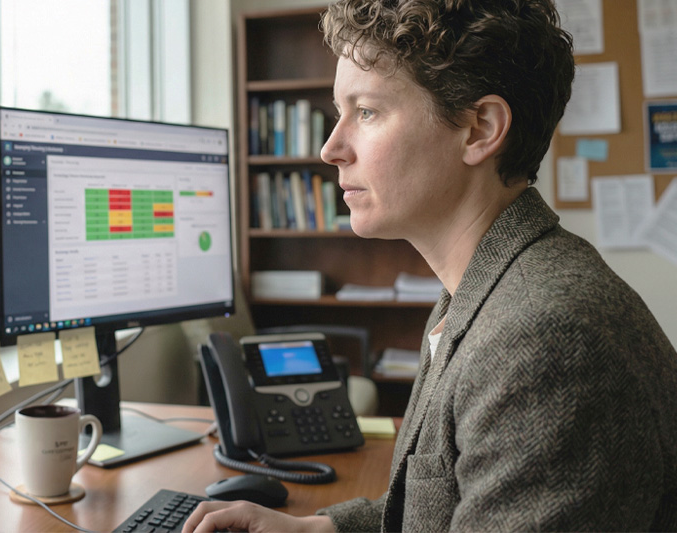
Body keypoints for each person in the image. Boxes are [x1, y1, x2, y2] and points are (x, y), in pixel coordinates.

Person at [184, 0, 677, 531]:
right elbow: (445, 506)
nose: (331, 149)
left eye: (367, 112)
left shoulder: (543, 336)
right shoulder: (478, 290)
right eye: (338, 113)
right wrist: (316, 529)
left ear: (479, 129)